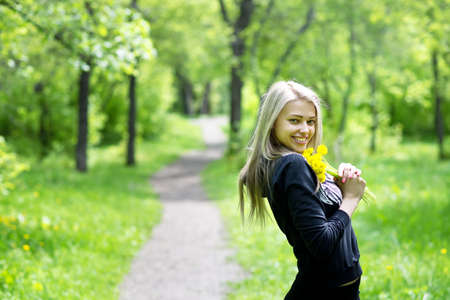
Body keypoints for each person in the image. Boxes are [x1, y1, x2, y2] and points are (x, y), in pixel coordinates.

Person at [238, 80, 366, 299]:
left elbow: (318, 209)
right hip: (323, 290)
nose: (305, 130)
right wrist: (351, 199)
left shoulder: (292, 162)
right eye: (294, 121)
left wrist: (338, 185)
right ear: (272, 122)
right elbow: (321, 243)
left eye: (311, 121)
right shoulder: (292, 165)